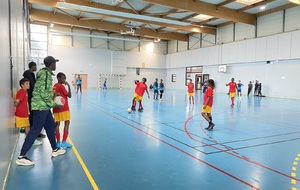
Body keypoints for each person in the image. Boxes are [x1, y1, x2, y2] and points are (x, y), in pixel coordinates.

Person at [16, 56, 66, 166]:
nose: (55, 65)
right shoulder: (46, 74)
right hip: (41, 106)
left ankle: (55, 150)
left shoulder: (45, 74)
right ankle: (21, 156)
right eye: (54, 63)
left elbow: (43, 90)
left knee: (50, 127)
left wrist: (53, 94)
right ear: (51, 64)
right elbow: (43, 94)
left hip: (44, 106)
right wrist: (54, 104)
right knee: (35, 130)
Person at [15, 78, 42, 146]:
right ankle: (31, 141)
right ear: (22, 85)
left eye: (29, 83)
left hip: (24, 113)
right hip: (22, 113)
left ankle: (30, 140)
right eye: (26, 84)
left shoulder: (25, 92)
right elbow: (17, 101)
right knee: (27, 127)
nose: (28, 85)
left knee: (27, 127)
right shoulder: (22, 91)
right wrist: (15, 106)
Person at [23, 61, 45, 138]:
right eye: (35, 66)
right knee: (33, 114)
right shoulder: (28, 74)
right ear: (32, 66)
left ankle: (34, 131)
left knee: (33, 114)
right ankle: (33, 132)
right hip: (31, 97)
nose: (36, 68)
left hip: (32, 97)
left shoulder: (30, 74)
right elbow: (33, 86)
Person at [53, 72, 72, 149]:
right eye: (63, 78)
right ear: (58, 78)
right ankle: (64, 142)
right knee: (67, 122)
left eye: (65, 78)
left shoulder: (54, 86)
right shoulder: (61, 86)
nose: (64, 80)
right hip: (64, 108)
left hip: (56, 108)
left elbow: (53, 94)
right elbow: (69, 96)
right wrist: (68, 86)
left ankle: (58, 142)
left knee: (57, 124)